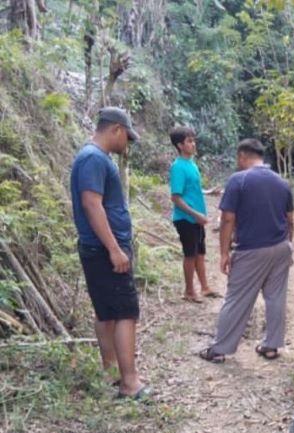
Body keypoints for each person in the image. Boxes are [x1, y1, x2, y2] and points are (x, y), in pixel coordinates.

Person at [70, 107, 150, 399]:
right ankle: (129, 382)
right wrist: (115, 249)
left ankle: (112, 374)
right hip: (105, 250)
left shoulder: (92, 157)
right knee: (125, 312)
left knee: (106, 313)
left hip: (97, 248)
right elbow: (92, 204)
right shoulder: (94, 158)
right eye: (126, 137)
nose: (126, 144)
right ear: (116, 129)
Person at [199, 138, 294, 363]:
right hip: (281, 247)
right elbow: (291, 220)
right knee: (276, 296)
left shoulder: (238, 180)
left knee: (237, 297)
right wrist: (289, 246)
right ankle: (271, 346)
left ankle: (219, 348)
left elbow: (228, 218)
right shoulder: (282, 182)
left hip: (251, 249)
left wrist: (224, 252)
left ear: (242, 156)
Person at [169, 126, 219, 302]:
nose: (193, 144)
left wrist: (208, 192)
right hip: (185, 218)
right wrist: (195, 214)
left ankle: (204, 287)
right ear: (180, 145)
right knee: (190, 254)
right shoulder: (178, 167)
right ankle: (189, 290)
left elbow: (191, 190)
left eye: (193, 140)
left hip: (196, 218)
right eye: (189, 141)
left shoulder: (191, 164)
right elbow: (175, 197)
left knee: (200, 253)